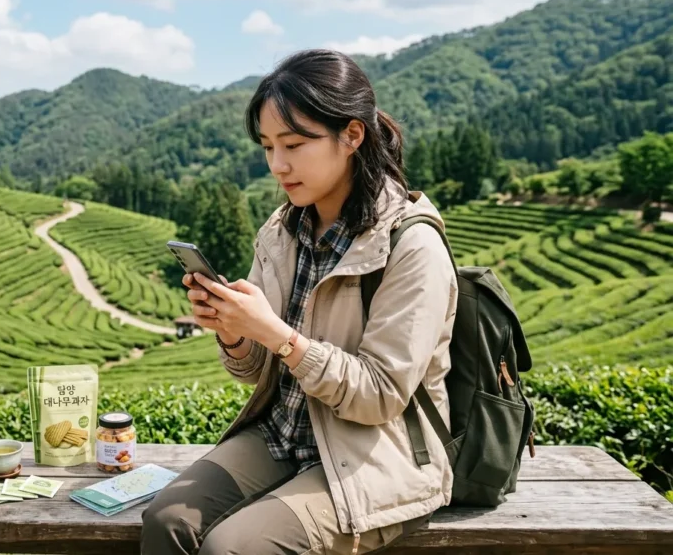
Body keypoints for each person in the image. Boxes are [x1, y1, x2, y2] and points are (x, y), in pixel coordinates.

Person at [140, 48, 458, 555]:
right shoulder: (283, 229)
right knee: (167, 519)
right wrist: (234, 331)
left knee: (232, 549)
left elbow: (380, 395)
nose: (277, 165)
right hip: (282, 434)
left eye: (294, 144)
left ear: (352, 136)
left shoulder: (411, 245)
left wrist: (278, 335)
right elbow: (254, 370)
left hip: (372, 455)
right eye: (268, 146)